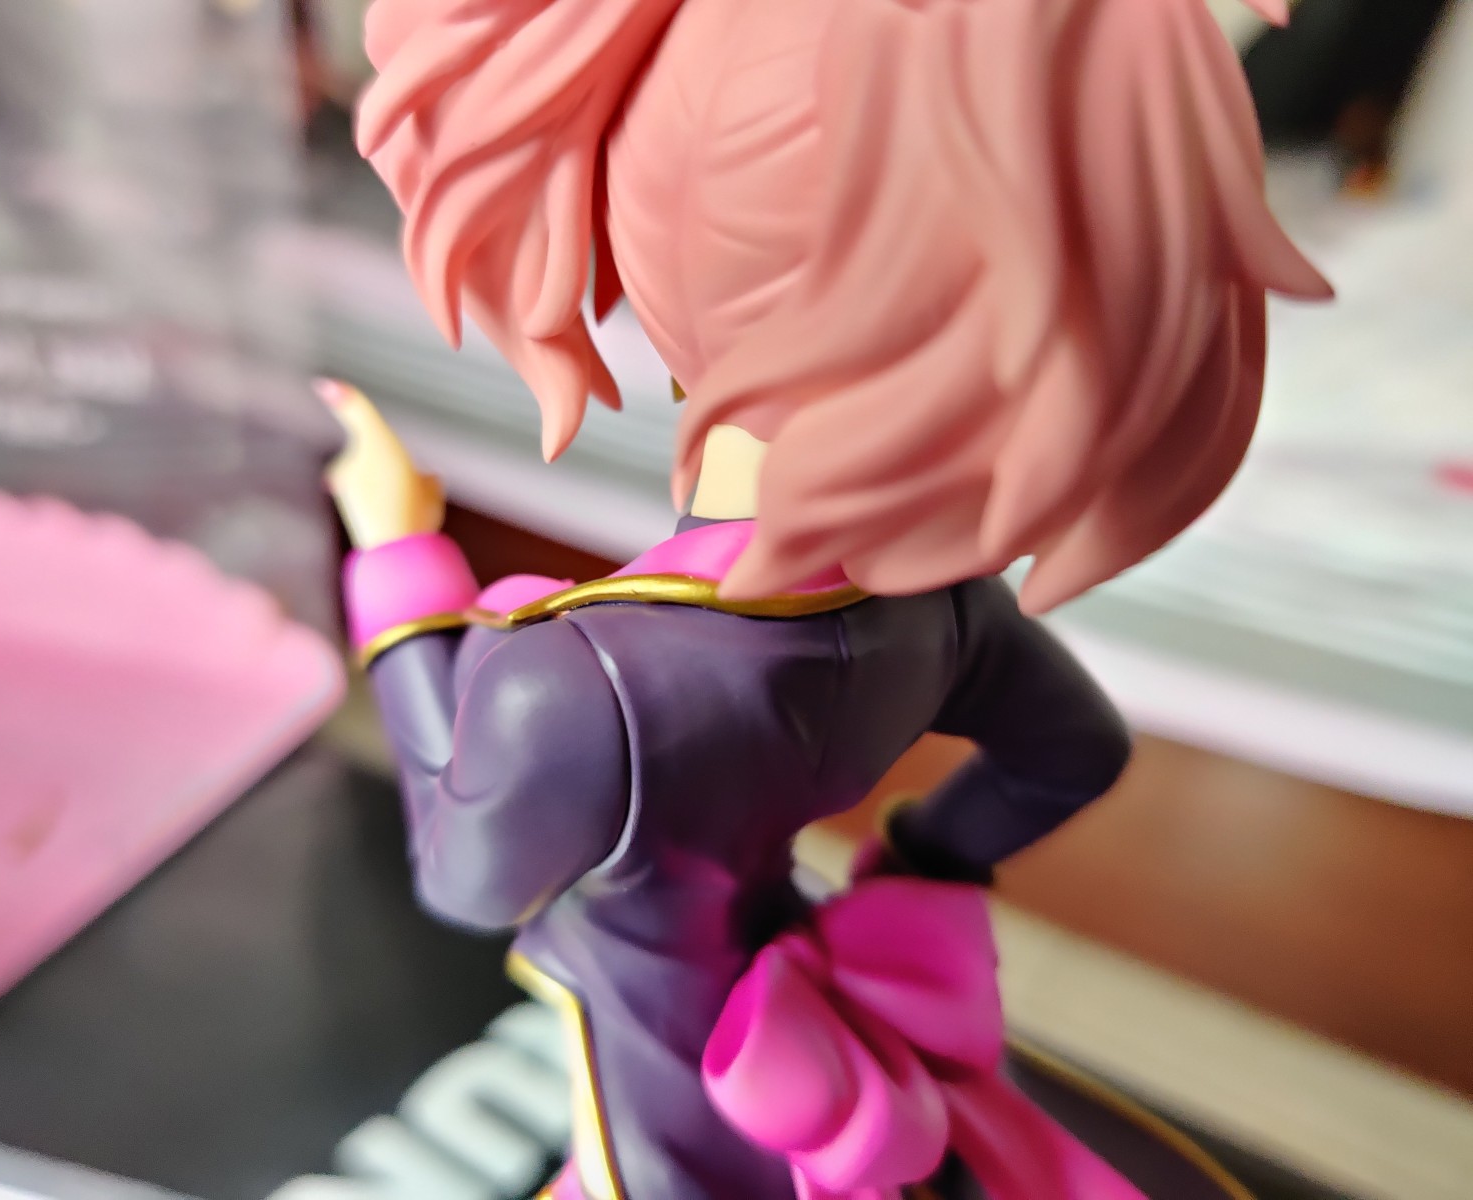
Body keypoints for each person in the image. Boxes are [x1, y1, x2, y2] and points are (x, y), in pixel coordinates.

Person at [327, 0, 1329, 1196]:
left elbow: (467, 879)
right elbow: (1073, 752)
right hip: (821, 1019)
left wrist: (403, 572)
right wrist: (914, 874)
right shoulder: (944, 609)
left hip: (662, 1098)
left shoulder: (584, 678)